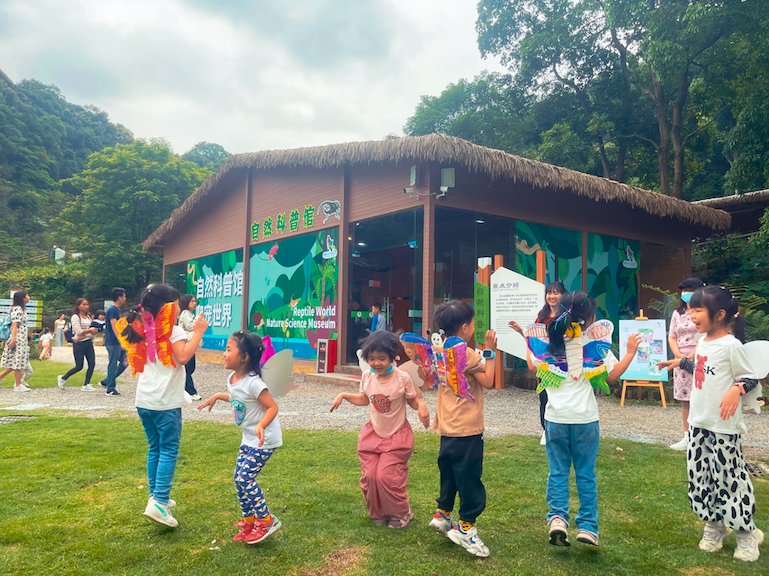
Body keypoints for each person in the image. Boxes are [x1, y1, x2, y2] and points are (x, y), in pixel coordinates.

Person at [512, 291, 640, 547]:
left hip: (556, 419)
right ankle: (588, 527)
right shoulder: (592, 343)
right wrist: (630, 353)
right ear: (590, 318)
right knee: (586, 474)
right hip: (585, 420)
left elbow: (533, 366)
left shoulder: (551, 342)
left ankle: (558, 519)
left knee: (558, 472)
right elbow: (612, 376)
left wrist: (528, 341)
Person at [657, 286, 763, 562]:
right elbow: (703, 368)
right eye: (690, 309)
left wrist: (735, 390)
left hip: (724, 427)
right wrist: (679, 362)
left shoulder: (732, 345)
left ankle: (747, 533)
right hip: (698, 423)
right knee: (701, 477)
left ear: (720, 314)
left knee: (730, 479)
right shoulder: (703, 342)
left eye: (697, 310)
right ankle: (715, 525)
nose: (691, 315)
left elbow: (750, 377)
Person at [119, 284, 207, 528]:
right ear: (168, 307)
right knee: (168, 449)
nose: (178, 308)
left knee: (155, 448)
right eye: (177, 304)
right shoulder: (173, 331)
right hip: (165, 402)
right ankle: (159, 501)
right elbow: (183, 357)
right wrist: (198, 332)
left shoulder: (142, 328)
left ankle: (157, 497)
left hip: (144, 400)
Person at [330, 331, 430, 528]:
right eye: (372, 359)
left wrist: (421, 405)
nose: (376, 363)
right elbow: (364, 399)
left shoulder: (402, 378)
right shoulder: (367, 376)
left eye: (382, 359)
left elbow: (412, 400)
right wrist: (343, 395)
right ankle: (378, 512)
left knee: (387, 477)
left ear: (393, 357)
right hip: (373, 435)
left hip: (396, 435)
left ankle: (402, 513)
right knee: (370, 476)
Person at [198, 331, 283, 544]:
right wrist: (217, 396)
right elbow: (238, 397)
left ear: (244, 357)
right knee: (238, 479)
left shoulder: (254, 382)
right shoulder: (233, 378)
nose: (224, 353)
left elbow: (272, 407)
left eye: (229, 349)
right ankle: (249, 522)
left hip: (264, 439)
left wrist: (261, 425)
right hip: (248, 438)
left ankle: (267, 521)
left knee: (245, 478)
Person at [427, 299, 497, 558]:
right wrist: (490, 352)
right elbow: (488, 381)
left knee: (449, 473)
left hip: (446, 427)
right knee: (469, 478)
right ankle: (465, 526)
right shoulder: (465, 353)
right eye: (473, 325)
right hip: (467, 428)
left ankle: (443, 514)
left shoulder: (439, 350)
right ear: (465, 328)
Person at [511, 280, 565, 446]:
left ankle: (562, 431)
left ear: (563, 295)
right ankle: (546, 430)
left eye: (556, 293)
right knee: (545, 398)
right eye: (549, 293)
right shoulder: (541, 317)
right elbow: (534, 341)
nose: (552, 296)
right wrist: (521, 332)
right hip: (544, 366)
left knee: (562, 398)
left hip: (562, 364)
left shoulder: (566, 317)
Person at [668, 277, 705, 450]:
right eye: (684, 290)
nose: (686, 294)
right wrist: (678, 355)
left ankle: (702, 436)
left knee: (701, 397)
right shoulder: (678, 313)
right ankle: (687, 437)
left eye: (690, 290)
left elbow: (706, 335)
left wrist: (691, 355)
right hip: (680, 360)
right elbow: (672, 336)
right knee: (685, 400)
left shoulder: (704, 311)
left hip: (700, 356)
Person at [57, 299, 99, 392]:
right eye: (84, 304)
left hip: (88, 342)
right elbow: (78, 331)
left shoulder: (88, 317)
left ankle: (86, 384)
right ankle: (63, 378)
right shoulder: (75, 317)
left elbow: (89, 328)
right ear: (78, 306)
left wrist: (94, 331)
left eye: (87, 304)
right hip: (79, 343)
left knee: (92, 363)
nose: (86, 306)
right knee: (79, 366)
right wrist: (90, 330)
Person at [0, 291, 32, 392]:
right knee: (18, 361)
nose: (29, 297)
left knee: (17, 362)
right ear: (23, 298)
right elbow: (14, 325)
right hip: (18, 338)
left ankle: (3, 378)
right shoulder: (17, 309)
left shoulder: (22, 309)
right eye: (27, 296)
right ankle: (18, 385)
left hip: (22, 338)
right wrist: (14, 339)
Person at [100, 288, 128, 396]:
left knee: (125, 362)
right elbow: (114, 326)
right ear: (119, 297)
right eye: (124, 296)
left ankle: (107, 380)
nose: (125, 298)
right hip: (113, 342)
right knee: (113, 364)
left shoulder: (117, 310)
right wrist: (120, 340)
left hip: (117, 341)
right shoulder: (112, 309)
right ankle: (110, 389)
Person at [178, 295, 201, 401]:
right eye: (192, 301)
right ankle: (191, 392)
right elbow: (190, 326)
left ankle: (183, 390)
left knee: (189, 368)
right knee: (188, 368)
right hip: (187, 344)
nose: (194, 303)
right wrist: (198, 318)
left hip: (189, 343)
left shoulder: (189, 314)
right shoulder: (186, 313)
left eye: (195, 301)